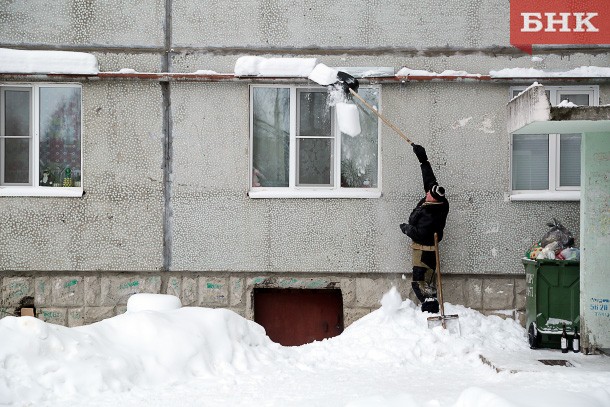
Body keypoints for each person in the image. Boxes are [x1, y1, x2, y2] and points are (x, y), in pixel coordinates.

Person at [400, 144, 449, 313]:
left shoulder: (432, 215)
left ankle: (431, 311)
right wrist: (423, 159)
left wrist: (406, 228)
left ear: (434, 200)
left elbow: (420, 233)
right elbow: (429, 181)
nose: (426, 193)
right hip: (425, 252)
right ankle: (430, 308)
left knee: (420, 284)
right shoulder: (438, 201)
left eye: (429, 194)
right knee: (425, 283)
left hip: (424, 253)